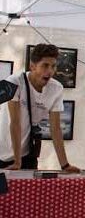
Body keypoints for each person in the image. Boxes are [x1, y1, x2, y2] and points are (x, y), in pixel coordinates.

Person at [0, 44, 80, 172]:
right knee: (4, 191)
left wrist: (65, 165)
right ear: (32, 66)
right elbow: (14, 123)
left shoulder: (57, 88)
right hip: (3, 149)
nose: (50, 71)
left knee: (28, 190)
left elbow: (55, 128)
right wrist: (17, 161)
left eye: (53, 66)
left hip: (26, 153)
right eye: (45, 65)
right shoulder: (13, 81)